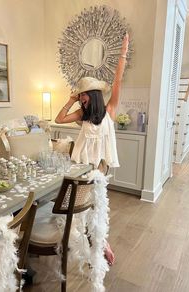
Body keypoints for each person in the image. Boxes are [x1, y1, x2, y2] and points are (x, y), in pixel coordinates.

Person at [55, 33, 129, 265]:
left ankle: (102, 245)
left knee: (96, 209)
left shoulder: (110, 111)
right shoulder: (82, 115)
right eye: (80, 95)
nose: (81, 98)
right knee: (81, 211)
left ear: (93, 95)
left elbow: (117, 82)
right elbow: (59, 117)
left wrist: (123, 54)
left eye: (84, 94)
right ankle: (91, 247)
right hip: (80, 170)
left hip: (99, 171)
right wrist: (70, 99)